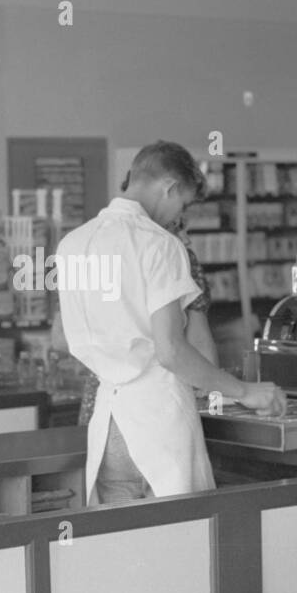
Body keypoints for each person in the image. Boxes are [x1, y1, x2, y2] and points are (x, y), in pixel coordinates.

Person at [56, 140, 285, 505]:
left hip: (107, 424)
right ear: (170, 188)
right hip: (157, 420)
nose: (178, 217)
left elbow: (66, 337)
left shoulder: (72, 244)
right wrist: (244, 391)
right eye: (183, 203)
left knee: (119, 544)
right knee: (184, 544)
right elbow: (172, 351)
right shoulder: (159, 245)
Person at [74, 175, 217, 427]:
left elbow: (61, 336)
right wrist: (218, 399)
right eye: (181, 214)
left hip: (101, 398)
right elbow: (197, 339)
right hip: (158, 399)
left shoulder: (90, 247)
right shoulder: (171, 252)